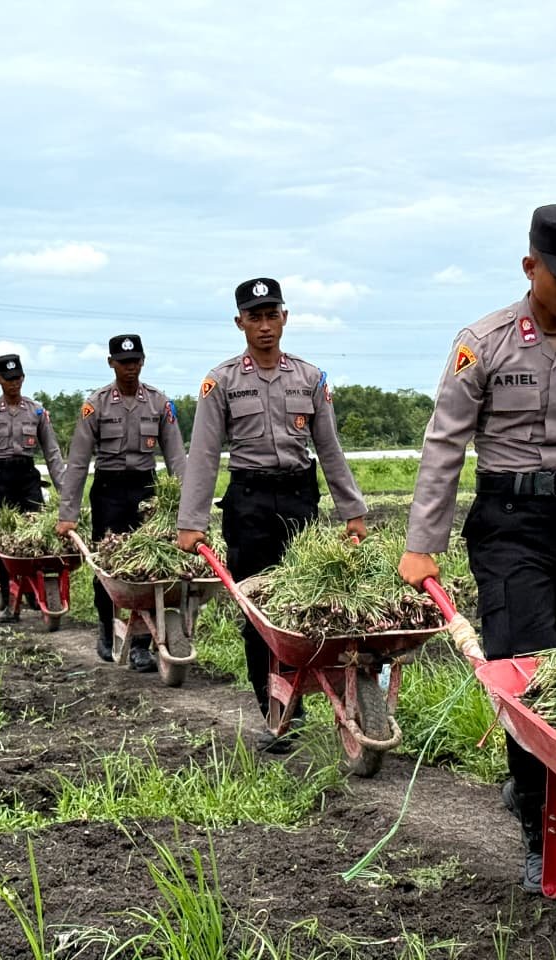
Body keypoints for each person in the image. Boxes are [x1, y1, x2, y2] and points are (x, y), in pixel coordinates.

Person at [397, 204, 556, 894]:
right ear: (531, 266)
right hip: (509, 521)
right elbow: (444, 444)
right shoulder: (485, 342)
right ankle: (540, 830)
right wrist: (422, 544)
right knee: (528, 673)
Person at [176, 278, 368, 752]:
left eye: (271, 315)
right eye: (254, 317)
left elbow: (330, 449)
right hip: (250, 504)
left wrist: (353, 511)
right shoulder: (221, 382)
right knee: (258, 613)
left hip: (300, 502)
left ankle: (309, 693)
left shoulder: (310, 378)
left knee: (303, 607)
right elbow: (202, 455)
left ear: (285, 317)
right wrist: (191, 521)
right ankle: (277, 713)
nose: (264, 326)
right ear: (239, 322)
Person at [56, 334, 187, 670]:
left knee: (147, 567)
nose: (130, 368)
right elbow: (77, 462)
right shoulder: (96, 404)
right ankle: (105, 626)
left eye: (135, 361)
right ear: (111, 363)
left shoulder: (159, 403)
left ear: (143, 361)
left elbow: (176, 459)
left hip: (146, 492)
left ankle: (142, 643)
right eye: (123, 362)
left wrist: (187, 508)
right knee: (107, 565)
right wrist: (67, 514)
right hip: (108, 491)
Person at [0, 354, 67, 621]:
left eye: (18, 378)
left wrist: (65, 492)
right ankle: (9, 596)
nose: (14, 384)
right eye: (8, 379)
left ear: (23, 378)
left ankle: (35, 591)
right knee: (2, 537)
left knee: (36, 531)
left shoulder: (36, 411)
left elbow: (53, 453)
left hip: (27, 476)